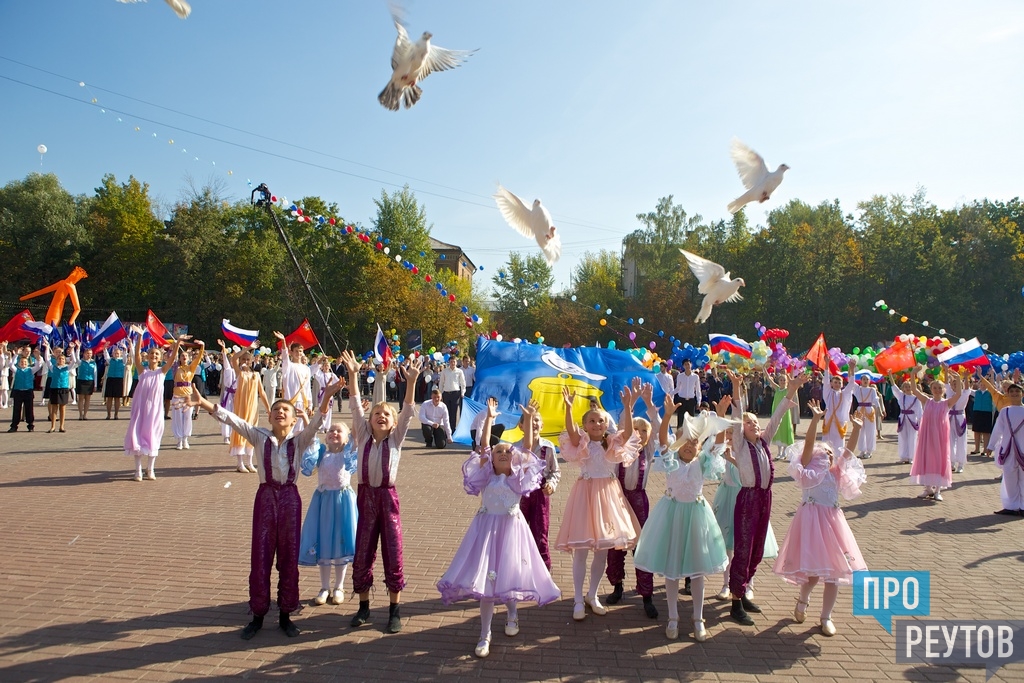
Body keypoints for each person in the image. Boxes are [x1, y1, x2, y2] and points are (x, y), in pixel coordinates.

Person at [191, 374, 344, 640]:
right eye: (275, 410)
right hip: (265, 498)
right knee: (260, 556)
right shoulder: (259, 435)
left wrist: (328, 394)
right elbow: (233, 419)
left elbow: (318, 419)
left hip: (289, 500)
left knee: (288, 556)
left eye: (285, 410)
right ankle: (258, 614)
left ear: (294, 419)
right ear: (269, 417)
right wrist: (204, 402)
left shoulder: (300, 440)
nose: (279, 413)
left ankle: (286, 614)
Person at [437, 401, 559, 658]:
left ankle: (512, 615)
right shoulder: (486, 476)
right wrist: (489, 419)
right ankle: (485, 634)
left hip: (512, 531)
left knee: (509, 573)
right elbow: (483, 446)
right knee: (487, 582)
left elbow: (527, 449)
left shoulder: (518, 478)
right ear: (491, 458)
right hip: (485, 533)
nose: (503, 453)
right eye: (498, 451)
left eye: (507, 451)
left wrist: (528, 420)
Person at [634, 396, 733, 642]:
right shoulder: (670, 461)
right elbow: (663, 441)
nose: (689, 446)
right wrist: (667, 415)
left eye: (694, 443)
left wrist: (719, 418)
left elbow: (718, 447)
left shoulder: (702, 463)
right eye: (685, 442)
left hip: (697, 517)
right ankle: (673, 617)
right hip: (671, 515)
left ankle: (698, 618)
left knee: (697, 570)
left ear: (700, 448)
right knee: (671, 570)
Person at [340, 349, 423, 634]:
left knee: (392, 551)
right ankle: (363, 607)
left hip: (387, 499)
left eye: (386, 414)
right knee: (362, 551)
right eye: (376, 413)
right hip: (365, 498)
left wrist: (411, 382)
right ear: (370, 419)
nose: (381, 417)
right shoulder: (362, 435)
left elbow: (409, 409)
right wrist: (353, 375)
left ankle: (394, 610)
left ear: (393, 421)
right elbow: (353, 405)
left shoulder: (396, 439)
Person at [773, 400, 868, 636]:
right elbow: (807, 446)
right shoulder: (807, 473)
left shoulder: (836, 474)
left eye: (830, 453)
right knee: (813, 573)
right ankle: (803, 599)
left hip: (833, 524)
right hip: (811, 523)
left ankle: (826, 617)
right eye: (822, 452)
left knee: (834, 573)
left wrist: (856, 429)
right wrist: (815, 420)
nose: (828, 455)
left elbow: (848, 451)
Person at [726, 369, 808, 626]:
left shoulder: (763, 441)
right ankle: (735, 602)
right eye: (749, 423)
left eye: (755, 423)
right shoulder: (740, 445)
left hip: (765, 498)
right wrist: (737, 389)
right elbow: (738, 417)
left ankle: (744, 589)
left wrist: (792, 389)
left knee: (757, 548)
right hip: (748, 499)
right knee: (743, 548)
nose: (754, 425)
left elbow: (777, 416)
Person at [555, 384, 642, 621]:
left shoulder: (611, 443)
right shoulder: (581, 442)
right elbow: (571, 433)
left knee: (602, 552)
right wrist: (569, 408)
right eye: (592, 421)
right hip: (585, 496)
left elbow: (627, 433)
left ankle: (592, 595)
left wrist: (627, 406)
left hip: (609, 497)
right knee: (581, 551)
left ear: (607, 424)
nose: (597, 424)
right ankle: (577, 599)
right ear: (585, 425)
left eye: (601, 420)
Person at [606, 379, 659, 619]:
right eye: (635, 429)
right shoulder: (620, 448)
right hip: (618, 500)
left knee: (642, 548)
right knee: (616, 545)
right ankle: (617, 586)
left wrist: (648, 403)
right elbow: (621, 427)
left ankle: (646, 594)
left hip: (639, 501)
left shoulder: (648, 451)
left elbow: (657, 426)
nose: (639, 434)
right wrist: (631, 403)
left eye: (644, 430)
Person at [299, 418, 358, 606]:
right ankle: (324, 587)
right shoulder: (321, 452)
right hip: (323, 502)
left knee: (341, 543)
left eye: (339, 431)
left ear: (346, 438)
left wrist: (357, 421)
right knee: (324, 542)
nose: (334, 433)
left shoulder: (348, 453)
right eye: (331, 430)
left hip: (343, 502)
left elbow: (357, 441)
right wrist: (308, 420)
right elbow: (311, 439)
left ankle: (339, 587)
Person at [124, 333, 180, 481]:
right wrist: (140, 337)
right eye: (151, 354)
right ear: (147, 357)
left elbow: (173, 358)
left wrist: (178, 342)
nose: (154, 356)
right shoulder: (142, 371)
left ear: (160, 358)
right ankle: (138, 470)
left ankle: (150, 469)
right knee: (137, 437)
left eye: (156, 354)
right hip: (141, 410)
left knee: (153, 437)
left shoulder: (162, 372)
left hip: (155, 411)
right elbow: (136, 355)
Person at [514, 399, 560, 571]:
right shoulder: (514, 448)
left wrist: (551, 483)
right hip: (519, 496)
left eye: (536, 420)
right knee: (516, 532)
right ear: (520, 426)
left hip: (540, 495)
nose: (533, 423)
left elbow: (555, 471)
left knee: (540, 533)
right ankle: (517, 570)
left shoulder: (547, 448)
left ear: (542, 425)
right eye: (528, 419)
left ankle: (542, 573)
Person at [908, 367, 962, 501]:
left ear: (944, 390)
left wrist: (958, 379)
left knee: (939, 459)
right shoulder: (927, 401)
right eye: (935, 388)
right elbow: (914, 390)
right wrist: (913, 374)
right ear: (931, 389)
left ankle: (938, 490)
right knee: (926, 458)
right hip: (927, 435)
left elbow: (958, 394)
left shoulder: (946, 403)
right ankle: (927, 488)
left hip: (940, 436)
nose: (937, 390)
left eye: (939, 388)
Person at [229, 348, 273, 473]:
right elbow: (233, 359)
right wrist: (246, 349)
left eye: (248, 359)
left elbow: (262, 393)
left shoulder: (256, 375)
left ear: (252, 361)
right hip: (241, 407)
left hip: (253, 408)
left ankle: (249, 462)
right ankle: (240, 463)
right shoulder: (239, 373)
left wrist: (269, 409)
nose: (246, 361)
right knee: (241, 432)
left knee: (252, 433)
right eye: (244, 359)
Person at [988, 383, 1024, 515]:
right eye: (1012, 392)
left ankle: (1023, 506)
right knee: (1009, 478)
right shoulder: (1005, 411)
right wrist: (991, 446)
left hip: (1022, 448)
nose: (1014, 394)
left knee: (1023, 479)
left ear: (1022, 394)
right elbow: (997, 429)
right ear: (1007, 394)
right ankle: (1012, 506)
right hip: (1008, 450)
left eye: (1017, 392)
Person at [273, 333, 313, 434]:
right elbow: (285, 356)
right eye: (296, 351)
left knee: (300, 428)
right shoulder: (289, 366)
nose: (299, 353)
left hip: (302, 402)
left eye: (300, 351)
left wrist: (310, 404)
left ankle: (298, 448)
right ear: (292, 352)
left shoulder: (307, 369)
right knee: (289, 426)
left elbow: (308, 387)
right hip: (290, 401)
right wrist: (283, 341)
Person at [171, 343, 205, 450]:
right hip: (177, 395)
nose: (184, 357)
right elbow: (172, 356)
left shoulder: (192, 367)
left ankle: (185, 438)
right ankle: (179, 440)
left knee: (187, 418)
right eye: (182, 356)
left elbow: (199, 357)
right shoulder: (176, 367)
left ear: (189, 358)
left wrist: (202, 346)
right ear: (180, 358)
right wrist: (177, 344)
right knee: (178, 419)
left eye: (186, 356)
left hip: (187, 396)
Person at [821, 361, 856, 456]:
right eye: (835, 382)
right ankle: (826, 460)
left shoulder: (844, 394)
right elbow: (826, 380)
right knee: (826, 444)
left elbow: (852, 384)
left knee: (839, 445)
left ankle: (837, 462)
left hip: (840, 422)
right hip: (828, 421)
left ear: (842, 384)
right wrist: (827, 365)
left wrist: (852, 369)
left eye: (839, 382)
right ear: (832, 384)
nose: (837, 384)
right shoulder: (828, 393)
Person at [889, 373, 922, 464]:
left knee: (912, 438)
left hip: (912, 419)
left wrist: (920, 421)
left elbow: (919, 411)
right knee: (903, 438)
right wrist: (890, 376)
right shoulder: (901, 396)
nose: (908, 388)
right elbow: (894, 387)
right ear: (903, 388)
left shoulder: (916, 398)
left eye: (910, 386)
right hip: (903, 418)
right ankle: (904, 456)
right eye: (906, 386)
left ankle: (912, 457)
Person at [8, 345, 42, 432]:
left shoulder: (31, 369)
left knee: (29, 409)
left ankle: (30, 425)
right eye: (22, 362)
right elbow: (11, 365)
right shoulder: (17, 370)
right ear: (19, 363)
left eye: (25, 363)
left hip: (28, 391)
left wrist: (38, 356)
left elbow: (39, 366)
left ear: (28, 363)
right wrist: (16, 355)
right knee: (16, 409)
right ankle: (14, 426)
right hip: (18, 391)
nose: (23, 364)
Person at [765, 371, 796, 460]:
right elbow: (769, 380)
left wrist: (792, 369)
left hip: (785, 414)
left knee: (785, 430)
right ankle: (779, 452)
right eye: (781, 380)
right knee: (777, 430)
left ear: (786, 381)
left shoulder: (787, 390)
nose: (782, 381)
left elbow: (792, 380)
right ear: (778, 381)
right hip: (776, 412)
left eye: (784, 380)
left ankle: (784, 453)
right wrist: (764, 370)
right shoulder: (777, 389)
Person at [946, 373, 973, 474]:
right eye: (953, 384)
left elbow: (967, 388)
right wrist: (945, 370)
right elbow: (946, 384)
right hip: (949, 418)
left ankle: (961, 464)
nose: (955, 386)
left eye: (957, 384)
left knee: (961, 441)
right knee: (950, 441)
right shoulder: (949, 393)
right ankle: (951, 462)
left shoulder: (964, 394)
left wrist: (965, 377)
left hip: (960, 418)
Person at [42, 340, 71, 433]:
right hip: (54, 388)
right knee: (54, 407)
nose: (61, 360)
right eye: (59, 359)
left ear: (65, 360)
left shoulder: (67, 367)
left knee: (62, 408)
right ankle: (53, 426)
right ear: (57, 359)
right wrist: (47, 348)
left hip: (64, 388)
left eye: (62, 359)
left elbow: (74, 361)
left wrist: (74, 349)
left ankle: (61, 426)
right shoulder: (53, 367)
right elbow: (47, 359)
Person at [851, 374, 880, 459]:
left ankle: (869, 451)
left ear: (869, 381)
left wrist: (880, 411)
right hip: (860, 410)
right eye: (863, 379)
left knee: (870, 431)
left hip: (869, 410)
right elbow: (851, 381)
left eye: (867, 379)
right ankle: (862, 450)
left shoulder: (872, 390)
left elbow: (875, 400)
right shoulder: (858, 389)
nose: (865, 381)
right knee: (860, 431)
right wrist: (852, 370)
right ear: (860, 380)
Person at [70, 342, 98, 420]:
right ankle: (80, 414)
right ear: (84, 354)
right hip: (81, 380)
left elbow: (95, 374)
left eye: (90, 353)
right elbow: (76, 357)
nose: (89, 355)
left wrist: (95, 385)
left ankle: (85, 414)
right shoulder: (80, 362)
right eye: (87, 353)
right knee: (81, 398)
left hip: (90, 381)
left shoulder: (93, 363)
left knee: (88, 399)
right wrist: (78, 348)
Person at [217, 340, 237, 444]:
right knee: (226, 414)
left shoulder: (240, 371)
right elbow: (225, 360)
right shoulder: (228, 369)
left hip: (236, 396)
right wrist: (224, 349)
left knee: (235, 415)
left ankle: (234, 434)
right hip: (228, 396)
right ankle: (226, 436)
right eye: (232, 360)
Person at [438, 356, 466, 430]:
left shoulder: (459, 371)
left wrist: (462, 392)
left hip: (455, 394)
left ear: (456, 362)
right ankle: (447, 429)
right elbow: (441, 383)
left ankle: (453, 429)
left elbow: (463, 383)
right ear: (449, 362)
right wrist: (440, 393)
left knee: (454, 412)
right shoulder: (444, 371)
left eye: (454, 362)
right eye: (451, 362)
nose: (452, 363)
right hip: (446, 393)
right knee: (446, 412)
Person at [673, 360, 701, 428]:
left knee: (691, 420)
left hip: (691, 400)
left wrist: (698, 401)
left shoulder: (695, 377)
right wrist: (669, 394)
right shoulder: (680, 376)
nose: (687, 366)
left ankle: (690, 437)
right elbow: (677, 388)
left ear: (691, 365)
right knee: (680, 420)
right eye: (685, 364)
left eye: (688, 364)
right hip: (682, 400)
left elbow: (698, 390)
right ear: (683, 366)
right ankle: (679, 436)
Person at [103, 344, 127, 420]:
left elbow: (125, 356)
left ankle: (116, 414)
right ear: (112, 354)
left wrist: (125, 349)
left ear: (120, 354)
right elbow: (106, 356)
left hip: (118, 380)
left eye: (118, 353)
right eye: (115, 353)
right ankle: (108, 414)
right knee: (109, 398)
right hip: (110, 379)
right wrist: (105, 349)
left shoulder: (122, 361)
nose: (116, 354)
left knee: (117, 398)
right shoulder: (110, 360)